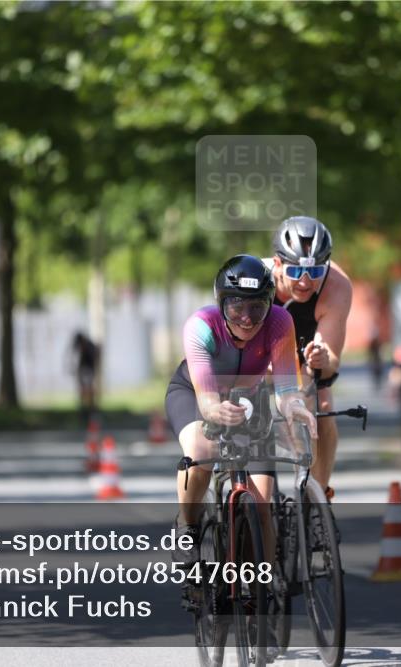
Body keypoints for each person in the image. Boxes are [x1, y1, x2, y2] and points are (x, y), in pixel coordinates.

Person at [165, 255, 318, 565]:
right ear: (221, 303)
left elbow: (286, 389)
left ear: (270, 304)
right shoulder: (200, 325)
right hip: (195, 393)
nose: (247, 319)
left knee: (261, 506)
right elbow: (207, 401)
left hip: (249, 398)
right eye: (237, 308)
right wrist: (213, 410)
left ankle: (261, 584)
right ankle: (187, 526)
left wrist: (294, 405)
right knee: (201, 452)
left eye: (257, 308)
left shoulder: (279, 322)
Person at [267, 216, 352, 499]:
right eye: (295, 271)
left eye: (315, 271)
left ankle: (315, 496)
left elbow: (331, 364)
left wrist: (321, 359)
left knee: (321, 404)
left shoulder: (337, 286)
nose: (305, 281)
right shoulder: (256, 280)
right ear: (277, 264)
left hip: (306, 352)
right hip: (263, 352)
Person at [70, 331, 100, 421]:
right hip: (84, 370)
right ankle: (84, 411)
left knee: (89, 391)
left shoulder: (90, 346)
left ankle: (92, 412)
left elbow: (94, 359)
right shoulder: (81, 345)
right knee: (83, 391)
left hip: (88, 370)